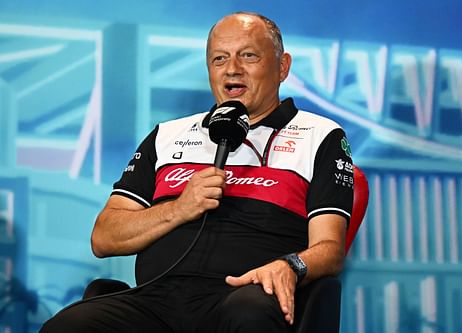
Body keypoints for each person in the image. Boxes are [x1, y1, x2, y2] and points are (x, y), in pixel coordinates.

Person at [41, 11, 353, 333]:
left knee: (250, 314)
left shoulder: (320, 135)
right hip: (157, 300)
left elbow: (330, 249)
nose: (232, 69)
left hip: (245, 294)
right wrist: (179, 208)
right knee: (67, 326)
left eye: (248, 55)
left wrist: (291, 266)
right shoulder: (167, 135)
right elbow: (104, 238)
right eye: (219, 59)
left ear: (282, 67)